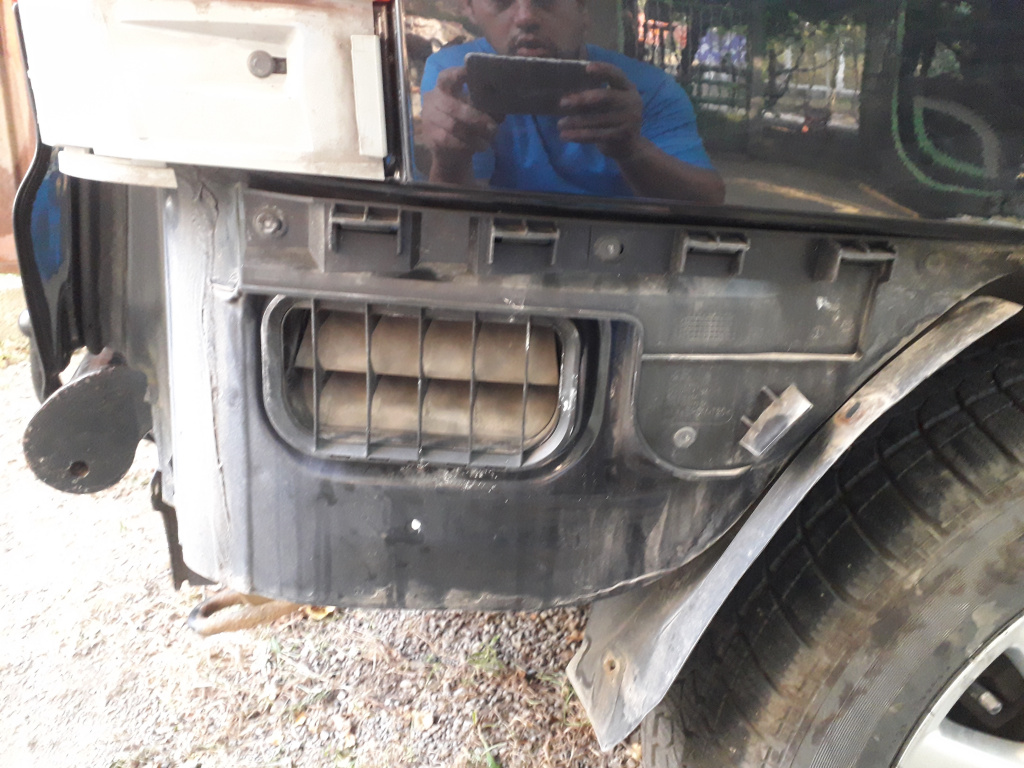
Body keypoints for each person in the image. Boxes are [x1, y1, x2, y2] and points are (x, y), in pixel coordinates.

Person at [419, 0, 726, 203]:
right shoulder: (454, 77)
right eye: (502, 1)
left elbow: (708, 201)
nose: (525, 17)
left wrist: (632, 150)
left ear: (583, 10)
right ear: (471, 10)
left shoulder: (650, 89)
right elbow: (451, 223)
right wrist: (450, 160)